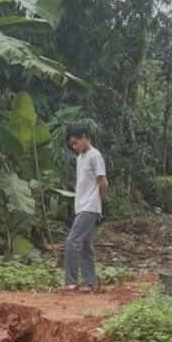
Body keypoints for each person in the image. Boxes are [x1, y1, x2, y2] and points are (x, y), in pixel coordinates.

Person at [63, 125, 107, 293]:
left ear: (84, 137)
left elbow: (103, 183)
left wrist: (97, 202)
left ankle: (71, 282)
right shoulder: (80, 158)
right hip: (82, 206)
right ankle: (92, 283)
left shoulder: (95, 156)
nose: (75, 147)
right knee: (86, 246)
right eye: (72, 145)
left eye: (75, 143)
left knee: (72, 241)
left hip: (90, 206)